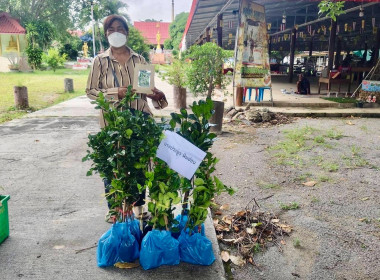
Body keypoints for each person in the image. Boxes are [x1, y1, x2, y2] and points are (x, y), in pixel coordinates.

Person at [86, 14, 166, 221]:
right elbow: (91, 91)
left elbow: (146, 91)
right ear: (105, 35)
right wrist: (115, 93)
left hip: (139, 120)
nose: (115, 32)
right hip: (112, 122)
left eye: (119, 28)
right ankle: (115, 210)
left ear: (127, 33)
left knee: (139, 165)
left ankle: (139, 207)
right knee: (113, 166)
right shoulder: (99, 61)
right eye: (110, 29)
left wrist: (157, 96)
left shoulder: (139, 60)